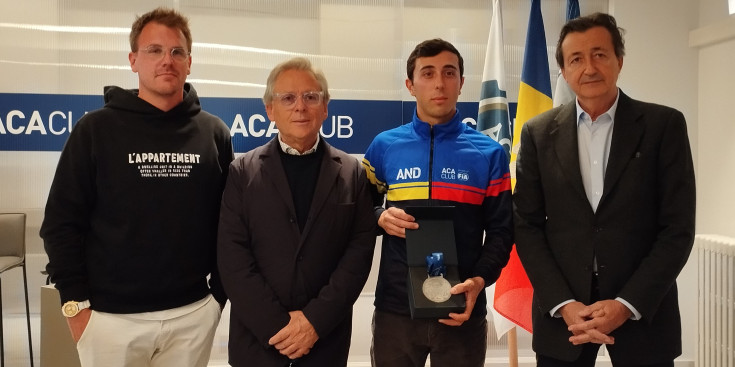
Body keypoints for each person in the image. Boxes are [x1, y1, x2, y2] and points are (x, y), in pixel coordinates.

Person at [40, 7, 233, 367]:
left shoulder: (214, 133)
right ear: (133, 60)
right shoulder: (94, 130)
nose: (167, 61)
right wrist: (76, 308)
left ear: (189, 62)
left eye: (177, 52)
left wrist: (216, 299)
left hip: (191, 315)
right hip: (109, 319)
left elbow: (229, 223)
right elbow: (61, 223)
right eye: (154, 50)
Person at [513, 12, 696, 367]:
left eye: (599, 54)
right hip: (564, 315)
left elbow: (677, 229)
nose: (589, 67)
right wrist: (563, 304)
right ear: (564, 72)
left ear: (619, 61)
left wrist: (626, 305)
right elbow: (527, 225)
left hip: (644, 311)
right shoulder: (537, 133)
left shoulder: (664, 126)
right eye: (576, 59)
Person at [362, 38, 513, 367]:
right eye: (427, 73)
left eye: (449, 72)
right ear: (410, 85)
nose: (439, 83)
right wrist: (379, 216)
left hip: (462, 308)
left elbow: (502, 232)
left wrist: (480, 281)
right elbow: (357, 212)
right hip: (395, 311)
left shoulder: (490, 154)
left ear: (461, 83)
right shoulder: (383, 147)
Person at [217, 57, 376, 367]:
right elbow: (232, 258)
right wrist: (278, 327)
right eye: (287, 98)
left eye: (311, 96)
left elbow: (358, 254)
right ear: (270, 110)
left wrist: (314, 323)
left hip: (325, 341)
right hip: (258, 343)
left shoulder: (351, 173)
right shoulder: (241, 172)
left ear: (325, 106)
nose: (300, 107)